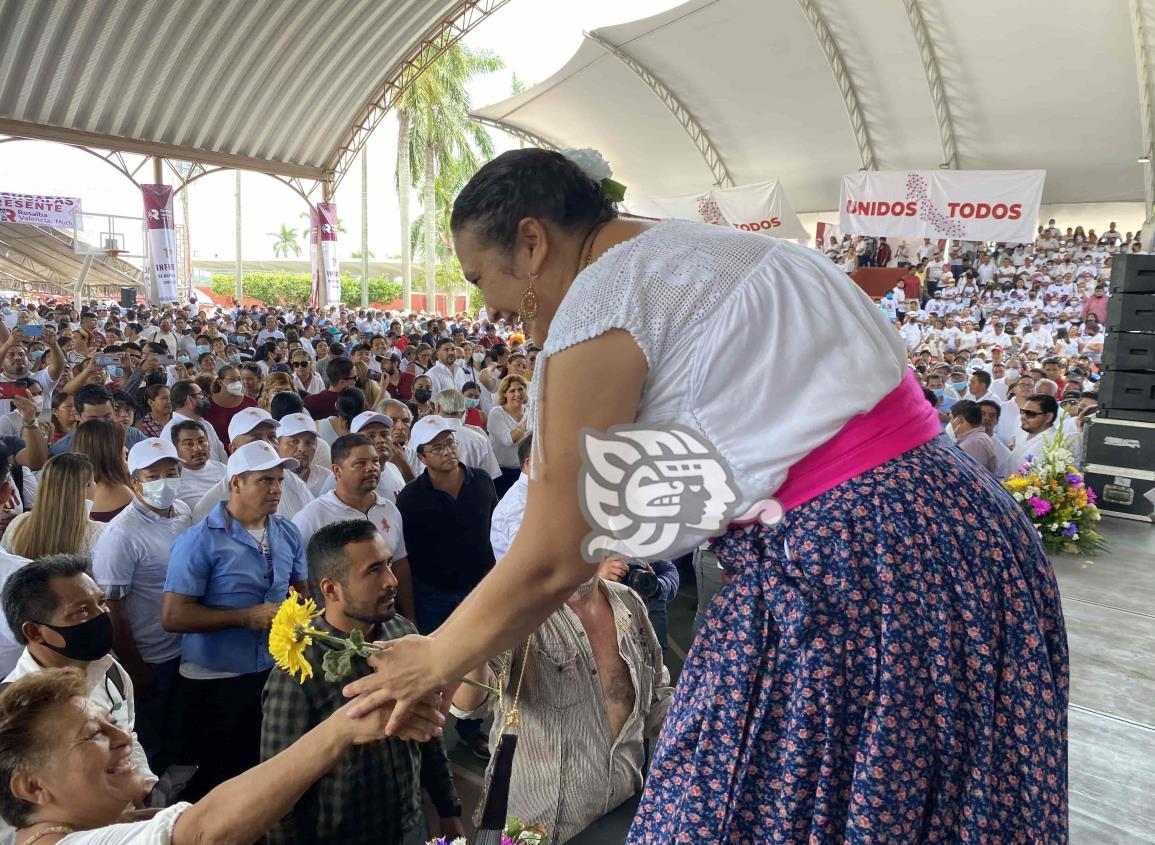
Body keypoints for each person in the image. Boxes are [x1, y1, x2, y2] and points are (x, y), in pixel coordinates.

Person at [344, 149, 1068, 842]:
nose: (490, 308)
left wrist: (435, 659)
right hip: (960, 530)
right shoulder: (719, 251)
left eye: (479, 278)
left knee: (729, 806)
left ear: (531, 240)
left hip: (854, 568)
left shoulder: (603, 298)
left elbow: (551, 557)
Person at [260, 519, 457, 844]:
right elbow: (277, 791)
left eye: (389, 565)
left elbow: (429, 733)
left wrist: (448, 808)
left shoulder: (402, 634)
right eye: (374, 571)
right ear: (330, 589)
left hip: (410, 825)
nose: (391, 581)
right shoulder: (300, 671)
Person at [451, 555, 672, 844]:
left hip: (620, 817)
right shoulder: (518, 613)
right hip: (535, 831)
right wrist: (476, 632)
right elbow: (468, 706)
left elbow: (657, 699)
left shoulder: (629, 603)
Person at [162, 440, 309, 800]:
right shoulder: (199, 541)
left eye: (278, 480)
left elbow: (301, 595)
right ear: (236, 483)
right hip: (216, 682)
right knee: (218, 778)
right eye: (265, 480)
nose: (276, 489)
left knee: (265, 768)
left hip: (273, 672)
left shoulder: (287, 532)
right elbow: (173, 615)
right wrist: (245, 616)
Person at [0, 555, 156, 806]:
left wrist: (143, 782)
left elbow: (128, 734)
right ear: (34, 632)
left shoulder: (110, 670)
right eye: (81, 611)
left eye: (101, 602)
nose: (102, 616)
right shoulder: (15, 714)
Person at [394, 416, 498, 760]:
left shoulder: (481, 482)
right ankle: (428, 737)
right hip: (435, 595)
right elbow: (405, 555)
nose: (447, 452)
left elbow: (494, 531)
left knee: (480, 663)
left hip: (481, 591)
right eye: (437, 447)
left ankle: (471, 729)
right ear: (421, 457)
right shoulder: (410, 499)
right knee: (437, 669)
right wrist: (410, 610)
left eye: (450, 443)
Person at [92, 437, 193, 775]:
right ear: (134, 481)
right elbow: (112, 608)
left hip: (186, 645)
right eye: (153, 476)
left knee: (182, 731)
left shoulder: (181, 512)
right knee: (153, 741)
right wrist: (135, 666)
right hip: (151, 655)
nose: (165, 481)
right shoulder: (122, 535)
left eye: (171, 472)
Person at [292, 434, 413, 619]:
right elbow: (295, 576)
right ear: (337, 470)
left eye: (374, 461)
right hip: (334, 627)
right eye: (360, 463)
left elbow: (400, 565)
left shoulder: (389, 509)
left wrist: (410, 616)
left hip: (384, 616)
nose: (372, 468)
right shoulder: (312, 517)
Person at [1, 454, 105, 558]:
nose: (95, 484)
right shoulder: (98, 534)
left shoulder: (19, 524)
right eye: (93, 481)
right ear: (86, 487)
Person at [47, 384, 148, 457]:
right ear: (77, 415)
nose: (102, 424)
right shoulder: (61, 451)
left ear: (113, 411)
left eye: (107, 417)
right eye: (93, 419)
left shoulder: (132, 435)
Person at [72, 419, 135, 523]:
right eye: (121, 445)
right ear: (110, 452)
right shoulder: (120, 492)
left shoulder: (70, 487)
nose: (126, 450)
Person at [433, 389, 501, 481]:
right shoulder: (479, 436)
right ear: (464, 410)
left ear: (437, 407)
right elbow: (490, 475)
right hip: (474, 492)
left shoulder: (425, 436)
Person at [162, 380, 228, 464]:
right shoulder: (170, 431)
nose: (205, 398)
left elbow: (221, 455)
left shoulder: (205, 424)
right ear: (190, 399)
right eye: (200, 394)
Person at [170, 419, 227, 513]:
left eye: (201, 441)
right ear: (176, 449)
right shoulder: (173, 479)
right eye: (189, 444)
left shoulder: (224, 470)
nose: (198, 448)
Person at [487, 373, 530, 497]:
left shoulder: (529, 412)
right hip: (502, 473)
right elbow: (508, 440)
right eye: (512, 391)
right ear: (505, 394)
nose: (517, 394)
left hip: (525, 471)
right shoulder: (496, 413)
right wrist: (527, 423)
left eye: (520, 389)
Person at [276, 411, 331, 496]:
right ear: (277, 445)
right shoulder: (270, 485)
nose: (302, 449)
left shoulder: (328, 479)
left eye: (308, 442)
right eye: (293, 442)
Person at [202, 365, 256, 445]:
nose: (237, 383)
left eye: (239, 379)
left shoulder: (250, 403)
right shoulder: (206, 405)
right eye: (232, 379)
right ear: (220, 382)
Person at [948, 400, 1001, 477]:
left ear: (959, 420)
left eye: (951, 418)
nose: (951, 423)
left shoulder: (975, 443)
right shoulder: (973, 439)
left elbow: (972, 477)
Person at [305, 357, 357, 421]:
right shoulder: (355, 400)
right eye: (354, 377)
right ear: (341, 381)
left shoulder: (309, 402)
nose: (356, 380)